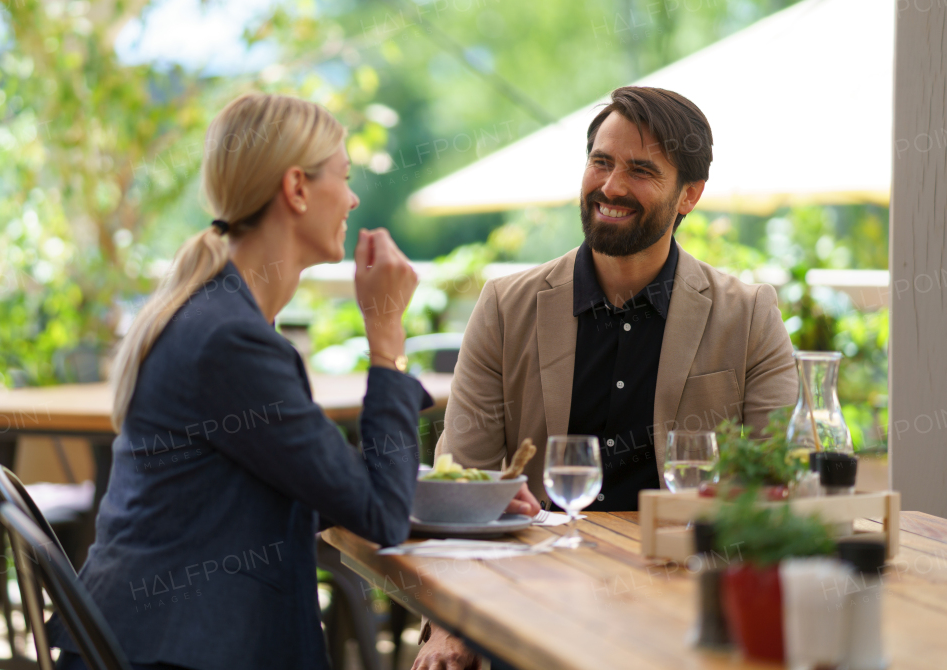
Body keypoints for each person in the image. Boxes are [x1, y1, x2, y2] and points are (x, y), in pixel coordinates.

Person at [413, 86, 798, 669]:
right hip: (531, 604)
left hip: (688, 609)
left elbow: (774, 487)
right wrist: (448, 624)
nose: (612, 187)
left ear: (689, 195)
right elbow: (459, 488)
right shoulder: (504, 306)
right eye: (601, 162)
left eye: (641, 170)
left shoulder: (748, 315)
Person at [54, 92, 431, 670]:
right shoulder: (230, 340)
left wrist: (469, 499)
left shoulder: (218, 314)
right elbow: (378, 516)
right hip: (168, 655)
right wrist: (386, 340)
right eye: (345, 177)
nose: (353, 198)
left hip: (144, 643)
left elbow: (333, 485)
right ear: (297, 189)